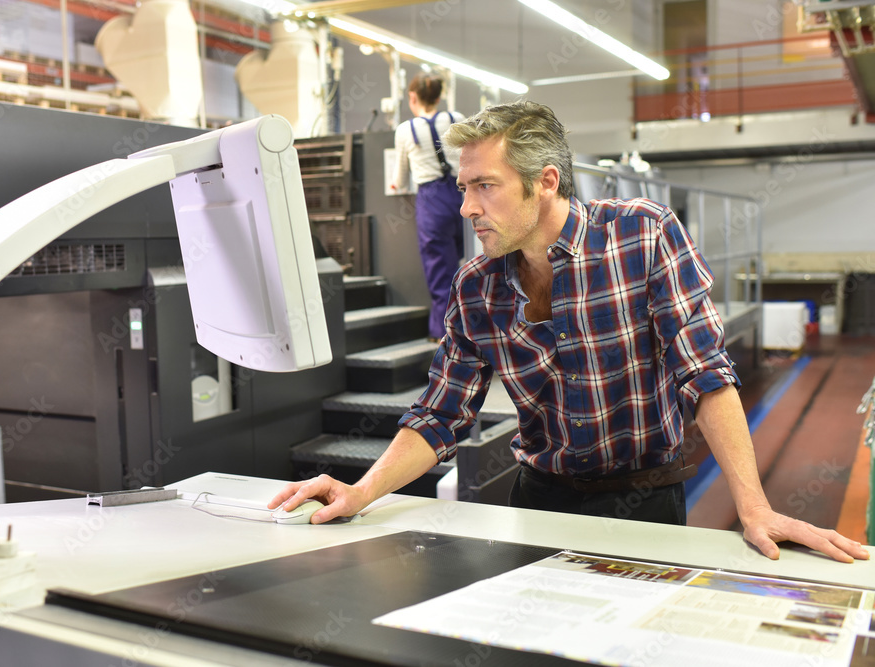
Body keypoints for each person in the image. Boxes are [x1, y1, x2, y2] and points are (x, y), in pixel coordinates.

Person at [272, 101, 868, 564]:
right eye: (463, 187)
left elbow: (704, 372)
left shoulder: (642, 235)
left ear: (546, 181)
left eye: (485, 186)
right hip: (540, 498)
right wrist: (361, 492)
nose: (466, 208)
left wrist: (753, 506)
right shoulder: (475, 285)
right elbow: (441, 413)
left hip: (646, 499)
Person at [391, 73, 466, 340]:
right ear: (438, 96)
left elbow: (398, 179)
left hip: (432, 199)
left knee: (439, 266)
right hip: (463, 194)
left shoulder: (405, 130)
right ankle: (476, 327)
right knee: (469, 261)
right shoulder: (456, 118)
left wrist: (396, 184)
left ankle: (445, 332)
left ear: (413, 98)